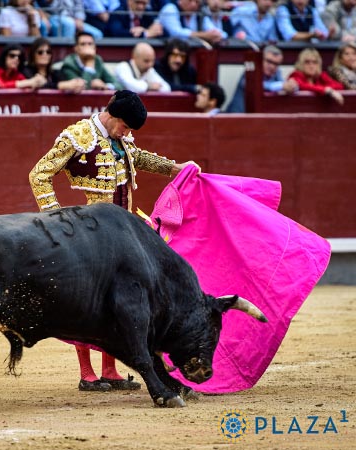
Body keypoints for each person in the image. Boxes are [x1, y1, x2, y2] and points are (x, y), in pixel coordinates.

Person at [29, 90, 199, 392]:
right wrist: (54, 219)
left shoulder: (120, 139)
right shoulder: (78, 135)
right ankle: (87, 373)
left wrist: (176, 168)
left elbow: (139, 158)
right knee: (88, 301)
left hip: (124, 232)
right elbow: (39, 174)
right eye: (126, 127)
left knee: (120, 301)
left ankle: (110, 370)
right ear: (112, 116)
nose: (128, 133)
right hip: (90, 233)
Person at [226, 45, 299, 113]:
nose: (272, 67)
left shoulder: (276, 72)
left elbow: (284, 85)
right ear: (260, 60)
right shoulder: (251, 70)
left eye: (276, 64)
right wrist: (281, 86)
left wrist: (293, 86)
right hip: (238, 118)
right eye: (269, 62)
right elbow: (256, 86)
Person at [159, 0, 227, 44]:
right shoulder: (170, 9)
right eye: (190, 0)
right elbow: (176, 33)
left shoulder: (199, 13)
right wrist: (204, 35)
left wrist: (216, 35)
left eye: (197, 2)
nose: (193, 5)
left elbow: (221, 33)